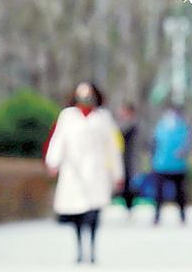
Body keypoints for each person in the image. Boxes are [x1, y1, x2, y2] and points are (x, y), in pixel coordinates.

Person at [45, 81, 124, 264]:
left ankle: (93, 248)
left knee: (93, 213)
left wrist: (117, 173)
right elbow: (58, 140)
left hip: (96, 170)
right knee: (77, 213)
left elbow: (112, 148)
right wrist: (53, 162)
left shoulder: (103, 118)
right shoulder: (68, 116)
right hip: (74, 171)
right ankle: (80, 248)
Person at [152, 104, 190, 225]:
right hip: (161, 165)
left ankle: (183, 215)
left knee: (180, 193)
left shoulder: (182, 127)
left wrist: (182, 152)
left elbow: (186, 145)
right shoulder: (161, 126)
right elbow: (155, 144)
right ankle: (157, 216)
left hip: (177, 166)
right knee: (159, 193)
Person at [117, 102, 139, 212]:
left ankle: (129, 207)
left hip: (130, 159)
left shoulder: (133, 125)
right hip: (122, 159)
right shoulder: (121, 124)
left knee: (130, 184)